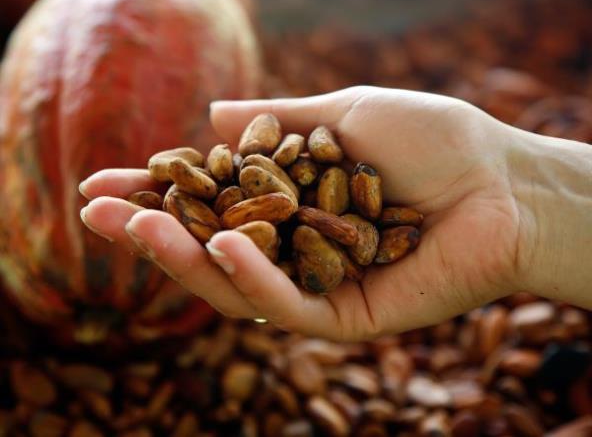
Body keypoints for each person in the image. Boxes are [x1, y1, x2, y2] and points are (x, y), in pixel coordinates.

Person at [79, 86, 592, 341]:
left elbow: (292, 205)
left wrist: (512, 188)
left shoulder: (302, 186)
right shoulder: (267, 179)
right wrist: (521, 193)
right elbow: (281, 201)